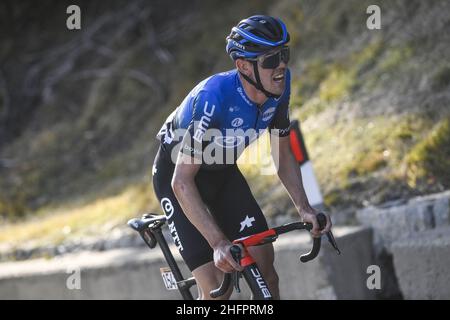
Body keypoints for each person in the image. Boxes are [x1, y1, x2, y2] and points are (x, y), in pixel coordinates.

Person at [152, 15, 332, 300]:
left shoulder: (279, 88)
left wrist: (305, 208)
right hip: (179, 177)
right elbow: (182, 182)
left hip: (223, 174)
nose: (281, 65)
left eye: (284, 54)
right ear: (243, 66)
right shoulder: (213, 98)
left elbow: (283, 157)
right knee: (216, 291)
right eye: (270, 59)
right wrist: (218, 242)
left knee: (267, 276)